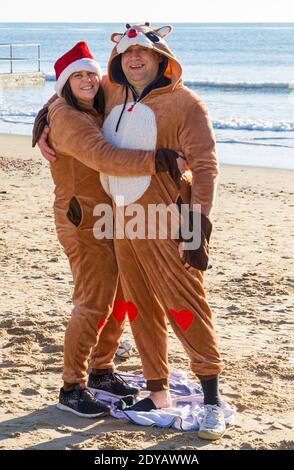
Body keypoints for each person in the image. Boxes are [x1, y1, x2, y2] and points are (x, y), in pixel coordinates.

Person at [35, 24, 226, 440]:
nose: (134, 59)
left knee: (185, 306)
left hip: (166, 224)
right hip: (115, 221)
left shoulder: (185, 103)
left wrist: (196, 225)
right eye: (126, 54)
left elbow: (206, 167)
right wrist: (46, 113)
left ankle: (212, 399)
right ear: (118, 62)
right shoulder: (114, 93)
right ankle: (155, 392)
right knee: (136, 308)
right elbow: (76, 96)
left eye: (143, 52)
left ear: (162, 59)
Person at [34, 41, 182, 418]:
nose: (87, 80)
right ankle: (72, 386)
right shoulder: (67, 116)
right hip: (81, 220)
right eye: (77, 75)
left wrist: (43, 110)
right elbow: (104, 156)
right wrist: (159, 160)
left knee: (118, 297)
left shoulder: (88, 102)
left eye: (90, 73)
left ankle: (101, 370)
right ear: (64, 83)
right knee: (93, 301)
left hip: (108, 216)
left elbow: (111, 86)